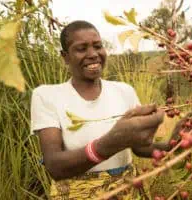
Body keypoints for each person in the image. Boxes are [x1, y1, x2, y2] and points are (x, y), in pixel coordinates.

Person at [30, 21, 170, 199]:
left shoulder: (124, 90)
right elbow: (55, 166)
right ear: (65, 57)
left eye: (98, 46)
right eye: (81, 48)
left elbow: (140, 148)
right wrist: (109, 143)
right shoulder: (46, 96)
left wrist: (174, 144)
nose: (93, 54)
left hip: (126, 193)